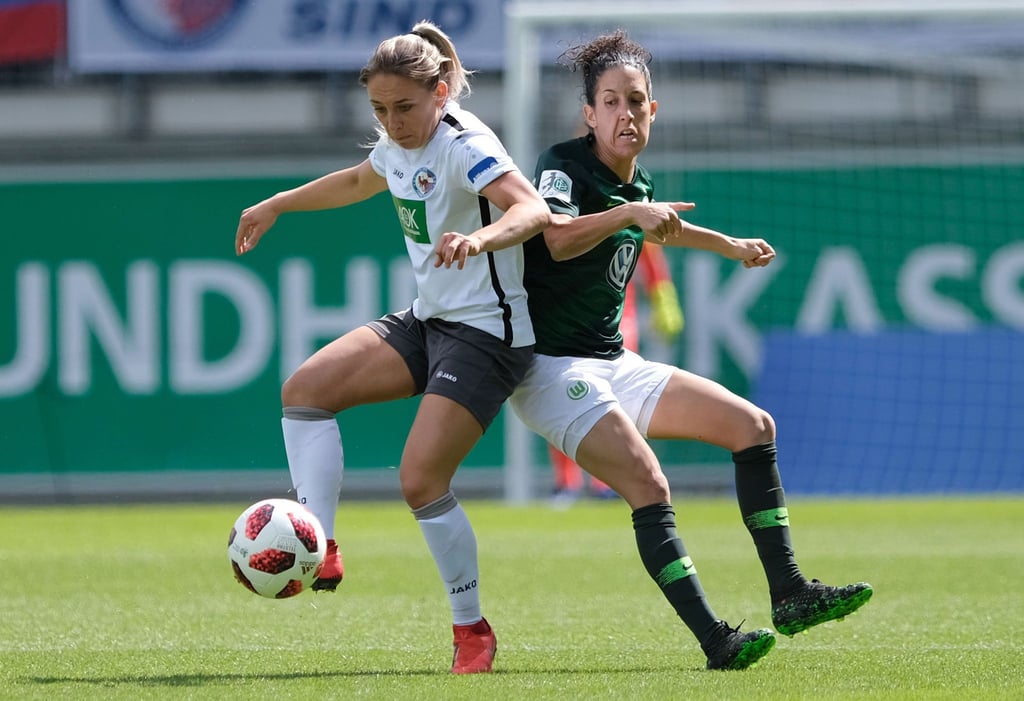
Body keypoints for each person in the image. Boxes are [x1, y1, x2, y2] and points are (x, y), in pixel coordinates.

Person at [510, 30, 873, 671]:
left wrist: (729, 245)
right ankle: (717, 642)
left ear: (654, 110)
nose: (627, 114)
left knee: (751, 425)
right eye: (612, 102)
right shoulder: (561, 165)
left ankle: (789, 592)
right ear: (589, 114)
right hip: (551, 370)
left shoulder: (637, 180)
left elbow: (663, 227)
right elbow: (559, 238)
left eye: (638, 101)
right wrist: (632, 216)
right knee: (650, 482)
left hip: (613, 362)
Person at [234, 21, 550, 675]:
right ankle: (316, 540)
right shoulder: (398, 141)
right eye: (379, 110)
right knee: (306, 389)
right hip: (431, 321)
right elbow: (357, 181)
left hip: (488, 334)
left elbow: (532, 211)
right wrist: (279, 204)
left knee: (419, 480)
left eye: (404, 108)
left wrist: (483, 241)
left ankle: (473, 631)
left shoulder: (466, 145)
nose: (393, 122)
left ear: (440, 92)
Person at [549, 243, 683, 504]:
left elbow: (648, 246)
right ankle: (566, 483)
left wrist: (663, 297)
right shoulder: (566, 210)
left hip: (617, 318)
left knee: (615, 399)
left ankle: (606, 483)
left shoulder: (624, 209)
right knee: (562, 392)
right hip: (568, 313)